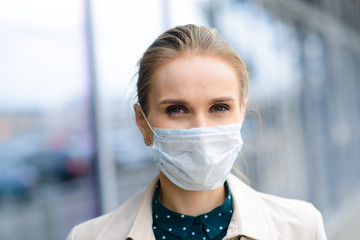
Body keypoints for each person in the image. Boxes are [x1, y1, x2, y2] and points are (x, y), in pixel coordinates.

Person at [66, 24, 327, 240]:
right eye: (177, 110)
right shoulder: (87, 236)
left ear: (241, 113)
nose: (201, 130)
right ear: (142, 122)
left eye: (220, 107)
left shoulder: (302, 227)